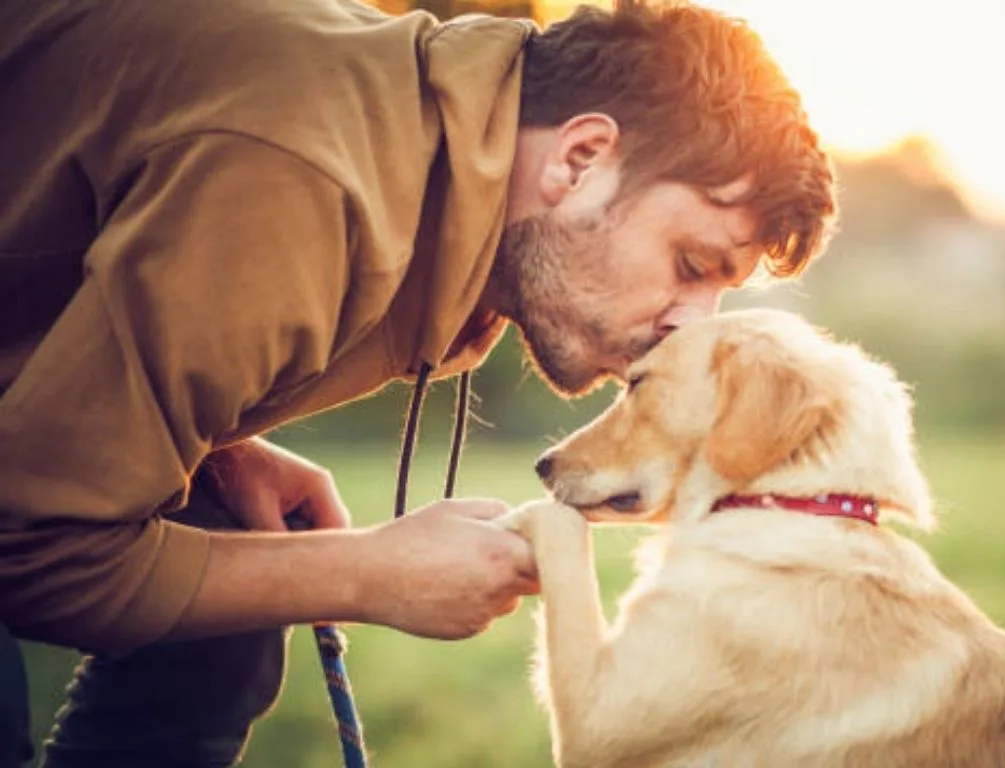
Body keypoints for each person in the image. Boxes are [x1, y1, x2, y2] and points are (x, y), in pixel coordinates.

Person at [0, 0, 836, 764]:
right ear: (581, 157)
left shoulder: (438, 155)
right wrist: (364, 573)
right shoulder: (308, 175)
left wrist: (223, 445)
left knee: (224, 631)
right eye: (691, 264)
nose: (693, 323)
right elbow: (32, 546)